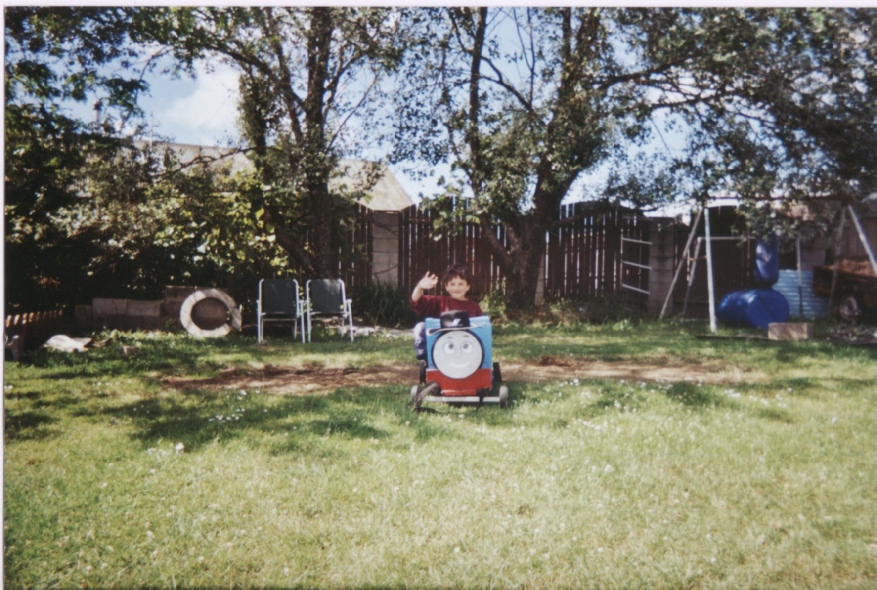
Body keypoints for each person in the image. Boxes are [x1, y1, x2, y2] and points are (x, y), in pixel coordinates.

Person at [410, 264, 483, 360]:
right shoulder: (440, 302)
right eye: (452, 284)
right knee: (420, 327)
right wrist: (419, 287)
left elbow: (480, 329)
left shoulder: (474, 306)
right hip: (442, 345)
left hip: (465, 345)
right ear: (446, 286)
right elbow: (416, 301)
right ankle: (426, 357)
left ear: (468, 286)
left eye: (461, 284)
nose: (456, 288)